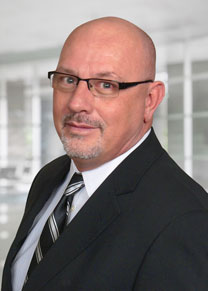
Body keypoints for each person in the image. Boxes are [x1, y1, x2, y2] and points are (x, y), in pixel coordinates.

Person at [2, 16, 208, 291]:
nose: (77, 102)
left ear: (150, 100)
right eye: (67, 79)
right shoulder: (49, 178)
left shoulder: (185, 221)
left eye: (106, 85)